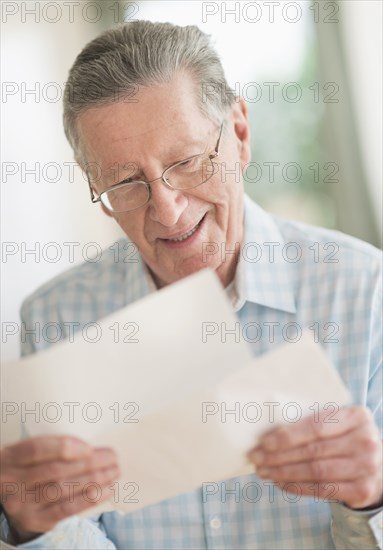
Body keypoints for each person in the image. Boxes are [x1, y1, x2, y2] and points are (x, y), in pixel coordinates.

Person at [0, 20, 382, 550]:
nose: (168, 209)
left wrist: (373, 498)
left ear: (241, 134)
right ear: (94, 184)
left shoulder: (366, 292)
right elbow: (66, 527)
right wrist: (29, 528)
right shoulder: (54, 320)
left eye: (187, 161)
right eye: (125, 182)